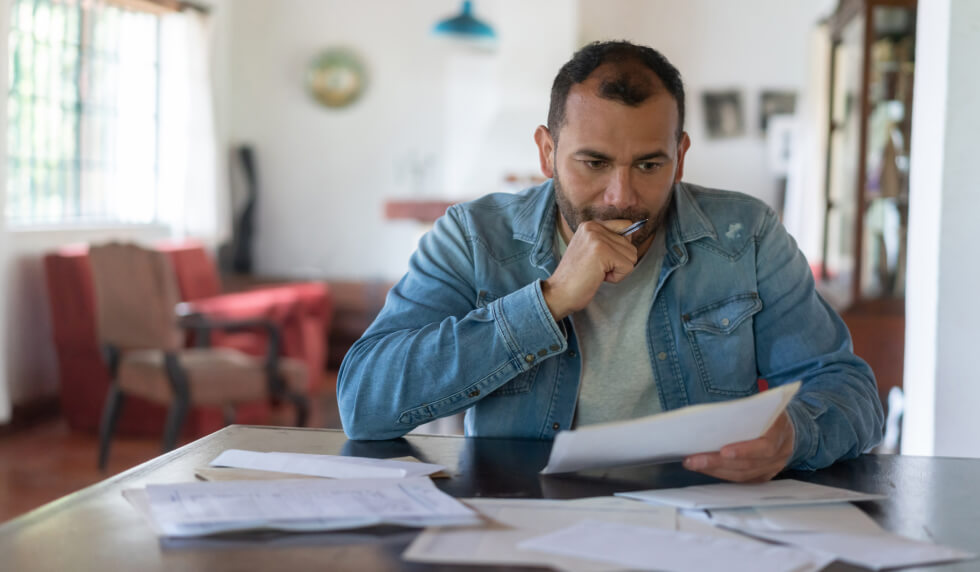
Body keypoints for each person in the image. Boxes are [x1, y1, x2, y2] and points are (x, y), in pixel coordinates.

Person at [338, 41, 883, 482]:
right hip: (524, 516)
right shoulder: (473, 237)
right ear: (547, 152)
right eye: (593, 163)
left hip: (699, 518)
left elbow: (849, 389)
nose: (621, 197)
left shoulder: (747, 234)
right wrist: (549, 302)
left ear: (681, 156)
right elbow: (364, 403)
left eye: (649, 165)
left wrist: (794, 435)